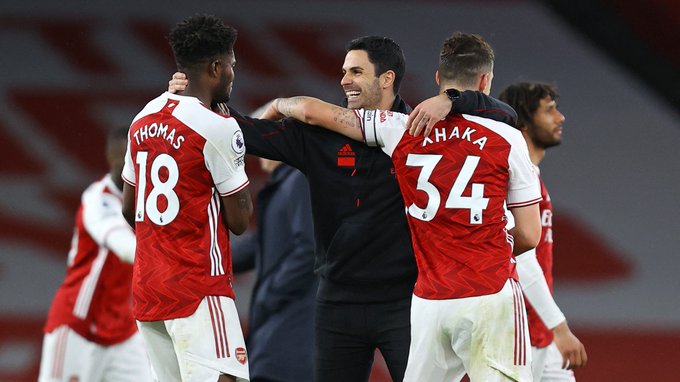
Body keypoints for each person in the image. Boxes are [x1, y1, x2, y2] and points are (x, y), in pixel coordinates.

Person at [170, 35, 517, 382]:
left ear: (387, 79)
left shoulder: (418, 131)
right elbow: (239, 130)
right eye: (343, 71)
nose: (344, 80)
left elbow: (505, 116)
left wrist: (453, 100)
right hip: (337, 304)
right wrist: (189, 102)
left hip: (405, 303)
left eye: (356, 71)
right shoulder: (318, 135)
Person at [266, 32, 543, 382]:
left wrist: (278, 105)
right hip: (489, 292)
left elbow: (312, 111)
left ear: (439, 78)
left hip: (430, 300)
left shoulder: (398, 128)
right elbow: (530, 235)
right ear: (485, 80)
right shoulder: (507, 138)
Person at [121, 14, 253, 382]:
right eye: (231, 65)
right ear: (215, 67)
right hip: (198, 291)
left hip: (149, 293)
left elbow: (130, 209)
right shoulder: (218, 127)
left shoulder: (141, 119)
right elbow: (240, 222)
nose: (232, 73)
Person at [38, 126, 152, 382]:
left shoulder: (149, 200)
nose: (136, 166)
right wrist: (169, 259)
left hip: (122, 330)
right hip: (78, 326)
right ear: (113, 158)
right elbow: (124, 248)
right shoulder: (97, 199)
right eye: (129, 157)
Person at [499, 82, 588, 381]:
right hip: (513, 334)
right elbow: (521, 258)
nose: (560, 118)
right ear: (523, 122)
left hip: (539, 334)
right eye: (549, 111)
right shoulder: (510, 181)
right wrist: (559, 327)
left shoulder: (530, 176)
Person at [231, 156, 317, 382]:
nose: (259, 153)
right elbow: (262, 242)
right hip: (281, 320)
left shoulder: (300, 180)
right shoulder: (285, 183)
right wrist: (207, 259)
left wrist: (271, 292)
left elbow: (309, 248)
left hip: (295, 324)